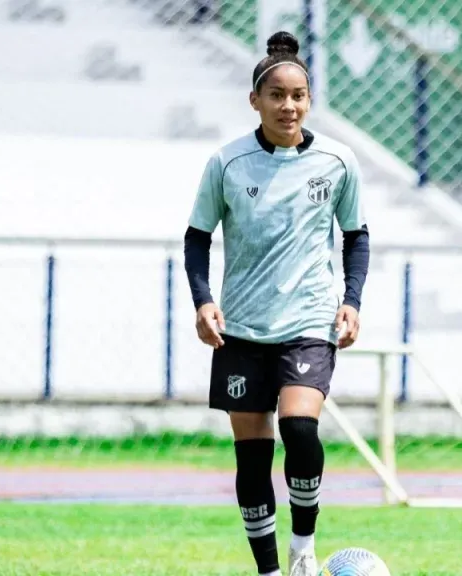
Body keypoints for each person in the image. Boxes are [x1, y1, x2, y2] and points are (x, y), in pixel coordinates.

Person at [182, 30, 370, 576]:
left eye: (299, 96)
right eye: (277, 95)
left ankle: (303, 551)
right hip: (240, 327)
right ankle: (268, 572)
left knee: (300, 429)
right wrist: (203, 301)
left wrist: (351, 301)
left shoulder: (338, 161)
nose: (289, 106)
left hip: (309, 320)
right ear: (256, 101)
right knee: (253, 457)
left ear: (310, 100)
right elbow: (197, 236)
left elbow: (355, 234)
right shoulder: (228, 163)